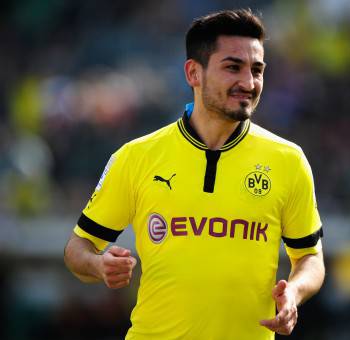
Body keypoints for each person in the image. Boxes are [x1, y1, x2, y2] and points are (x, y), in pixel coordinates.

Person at [64, 8, 325, 340]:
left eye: (256, 70)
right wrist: (99, 266)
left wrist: (294, 293)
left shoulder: (288, 160)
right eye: (233, 67)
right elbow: (78, 247)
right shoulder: (137, 156)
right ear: (193, 73)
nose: (248, 82)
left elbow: (311, 258)